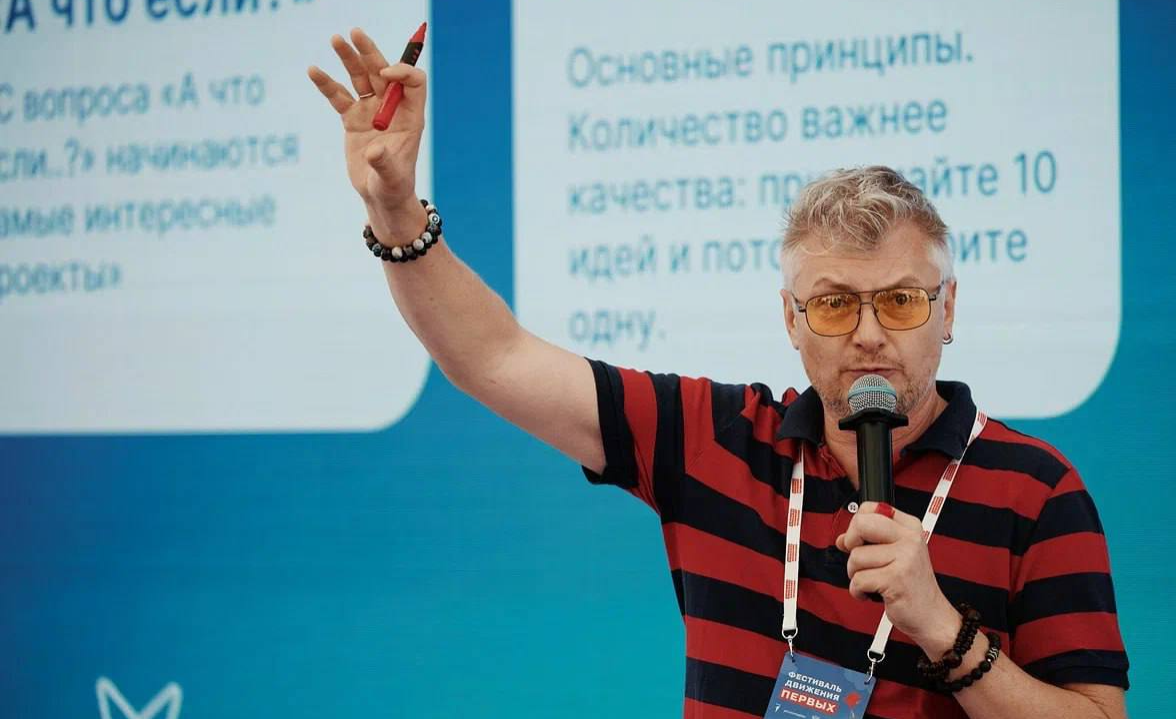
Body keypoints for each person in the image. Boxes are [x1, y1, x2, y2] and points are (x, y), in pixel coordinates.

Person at [308, 27, 1129, 719]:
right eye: (834, 304)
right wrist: (394, 209)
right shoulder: (715, 438)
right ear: (790, 321)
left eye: (902, 301)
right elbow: (495, 357)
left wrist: (944, 628)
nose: (871, 335)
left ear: (949, 310)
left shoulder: (1037, 490)